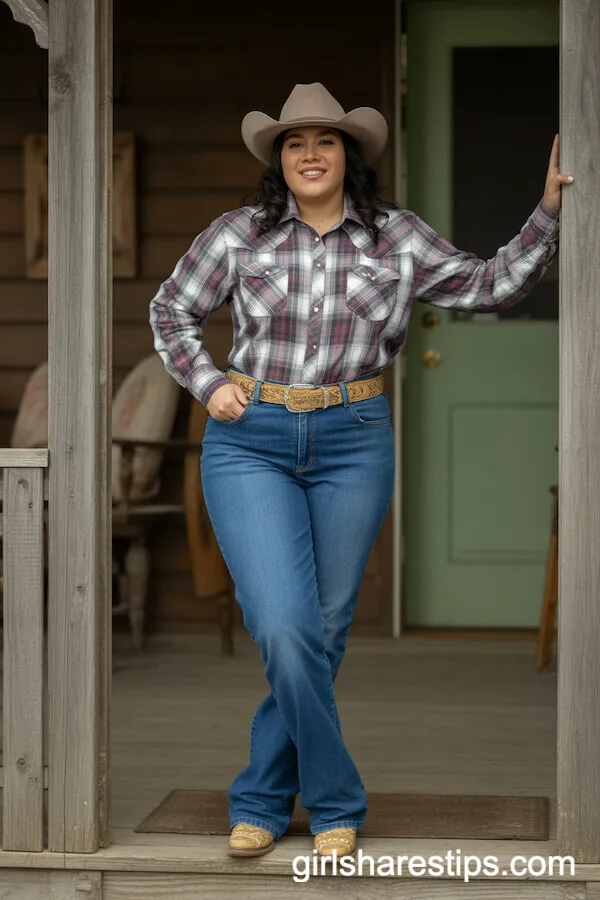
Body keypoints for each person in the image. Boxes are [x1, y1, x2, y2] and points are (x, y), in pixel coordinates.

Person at [149, 82, 573, 860]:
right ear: (279, 159)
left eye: (326, 140)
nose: (310, 153)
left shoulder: (396, 238)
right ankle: (336, 799)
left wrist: (546, 212)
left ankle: (265, 800)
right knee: (283, 624)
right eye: (295, 142)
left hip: (354, 436)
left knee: (325, 632)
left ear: (351, 154)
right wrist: (210, 384)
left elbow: (488, 285)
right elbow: (170, 309)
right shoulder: (240, 234)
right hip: (252, 440)